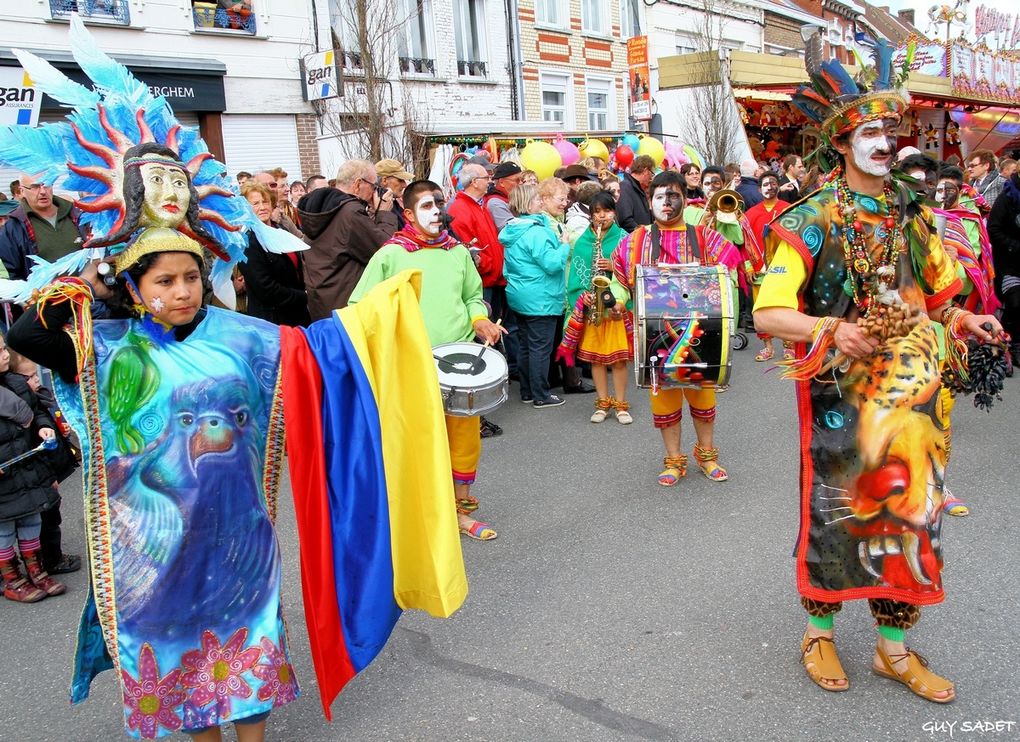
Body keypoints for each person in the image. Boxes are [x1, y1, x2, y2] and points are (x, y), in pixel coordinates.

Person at [756, 47, 1002, 703]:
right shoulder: (811, 219)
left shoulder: (915, 212)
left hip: (915, 406)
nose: (885, 144)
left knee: (909, 520)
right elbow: (771, 312)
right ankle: (819, 632)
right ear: (841, 142)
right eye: (870, 132)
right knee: (839, 516)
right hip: (843, 399)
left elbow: (940, 295)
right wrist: (832, 329)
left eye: (891, 133)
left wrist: (961, 320)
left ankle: (894, 650)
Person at [350, 180, 505, 541]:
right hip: (411, 364)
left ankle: (460, 513)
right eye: (426, 205)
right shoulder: (392, 254)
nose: (437, 211)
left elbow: (472, 298)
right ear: (407, 214)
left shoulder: (457, 253)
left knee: (464, 439)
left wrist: (479, 319)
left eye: (439, 203)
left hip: (460, 362)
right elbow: (361, 306)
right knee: (419, 442)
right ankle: (423, 518)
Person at [613, 171, 738, 487]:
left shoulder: (703, 236)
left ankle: (707, 455)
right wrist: (615, 299)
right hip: (657, 337)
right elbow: (621, 283)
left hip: (701, 332)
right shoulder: (637, 239)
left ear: (685, 196)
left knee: (703, 399)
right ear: (650, 199)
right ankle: (673, 461)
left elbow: (731, 265)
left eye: (673, 195)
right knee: (665, 402)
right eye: (659, 196)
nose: (666, 203)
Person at [557, 190, 632, 423]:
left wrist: (613, 264)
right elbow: (575, 277)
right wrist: (582, 297)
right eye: (597, 212)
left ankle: (621, 405)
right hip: (593, 309)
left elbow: (635, 270)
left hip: (616, 307)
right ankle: (602, 404)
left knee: (618, 360)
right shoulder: (583, 242)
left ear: (614, 212)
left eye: (607, 211)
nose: (602, 216)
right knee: (597, 359)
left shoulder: (624, 238)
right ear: (591, 215)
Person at [0, 333, 64, 603]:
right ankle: (12, 579)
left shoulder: (17, 383)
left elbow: (37, 412)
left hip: (27, 467)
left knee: (31, 520)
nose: (5, 355)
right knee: (3, 530)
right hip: (4, 480)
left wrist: (44, 427)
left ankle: (36, 571)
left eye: (4, 348)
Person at [500, 180, 571, 408]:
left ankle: (528, 391)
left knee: (525, 345)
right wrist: (564, 245)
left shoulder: (512, 228)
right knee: (541, 347)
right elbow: (552, 264)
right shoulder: (537, 232)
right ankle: (541, 394)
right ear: (529, 203)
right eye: (538, 199)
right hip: (541, 297)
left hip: (520, 294)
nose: (541, 201)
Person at [298, 159, 398, 319]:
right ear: (358, 184)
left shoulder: (322, 208)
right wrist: (384, 213)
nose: (374, 192)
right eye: (373, 186)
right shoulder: (349, 212)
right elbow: (385, 250)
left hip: (323, 303)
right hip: (347, 308)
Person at [239, 183, 311, 327]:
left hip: (296, 314)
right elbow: (265, 288)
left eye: (265, 201)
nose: (262, 207)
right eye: (255, 203)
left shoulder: (280, 230)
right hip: (272, 320)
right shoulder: (248, 241)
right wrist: (304, 296)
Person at [0, 173, 87, 281]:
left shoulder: (77, 214)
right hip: (40, 296)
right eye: (35, 187)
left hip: (88, 293)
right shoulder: (14, 227)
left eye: (46, 184)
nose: (42, 191)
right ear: (22, 191)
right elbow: (12, 274)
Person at [744, 172, 791, 361]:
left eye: (773, 183)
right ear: (759, 188)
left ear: (778, 186)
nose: (769, 187)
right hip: (759, 270)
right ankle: (768, 346)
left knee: (787, 307)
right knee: (761, 309)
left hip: (785, 269)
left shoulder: (790, 210)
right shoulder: (750, 214)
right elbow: (744, 243)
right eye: (765, 184)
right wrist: (748, 266)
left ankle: (789, 345)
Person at [988, 167, 1020, 366]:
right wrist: (1013, 245)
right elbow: (993, 228)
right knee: (1016, 302)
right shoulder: (1008, 196)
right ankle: (1013, 344)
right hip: (1010, 263)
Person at [616, 154, 654, 232]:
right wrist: (643, 233)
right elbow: (625, 219)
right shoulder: (625, 187)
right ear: (646, 171)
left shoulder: (637, 189)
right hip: (633, 240)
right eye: (652, 173)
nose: (651, 178)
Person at [484, 161, 523, 231]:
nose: (521, 183)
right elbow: (511, 231)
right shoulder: (495, 203)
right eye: (517, 180)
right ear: (502, 182)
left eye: (522, 180)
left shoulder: (511, 198)